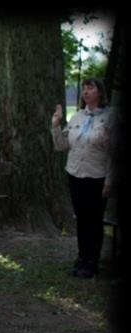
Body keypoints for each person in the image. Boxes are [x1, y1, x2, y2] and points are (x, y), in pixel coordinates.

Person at [51, 77, 115, 278]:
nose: (85, 91)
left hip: (97, 176)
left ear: (100, 92)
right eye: (84, 88)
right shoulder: (77, 116)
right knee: (81, 219)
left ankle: (92, 261)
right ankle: (81, 257)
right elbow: (61, 146)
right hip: (75, 174)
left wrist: (109, 181)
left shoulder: (111, 116)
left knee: (94, 220)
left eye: (90, 88)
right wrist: (55, 125)